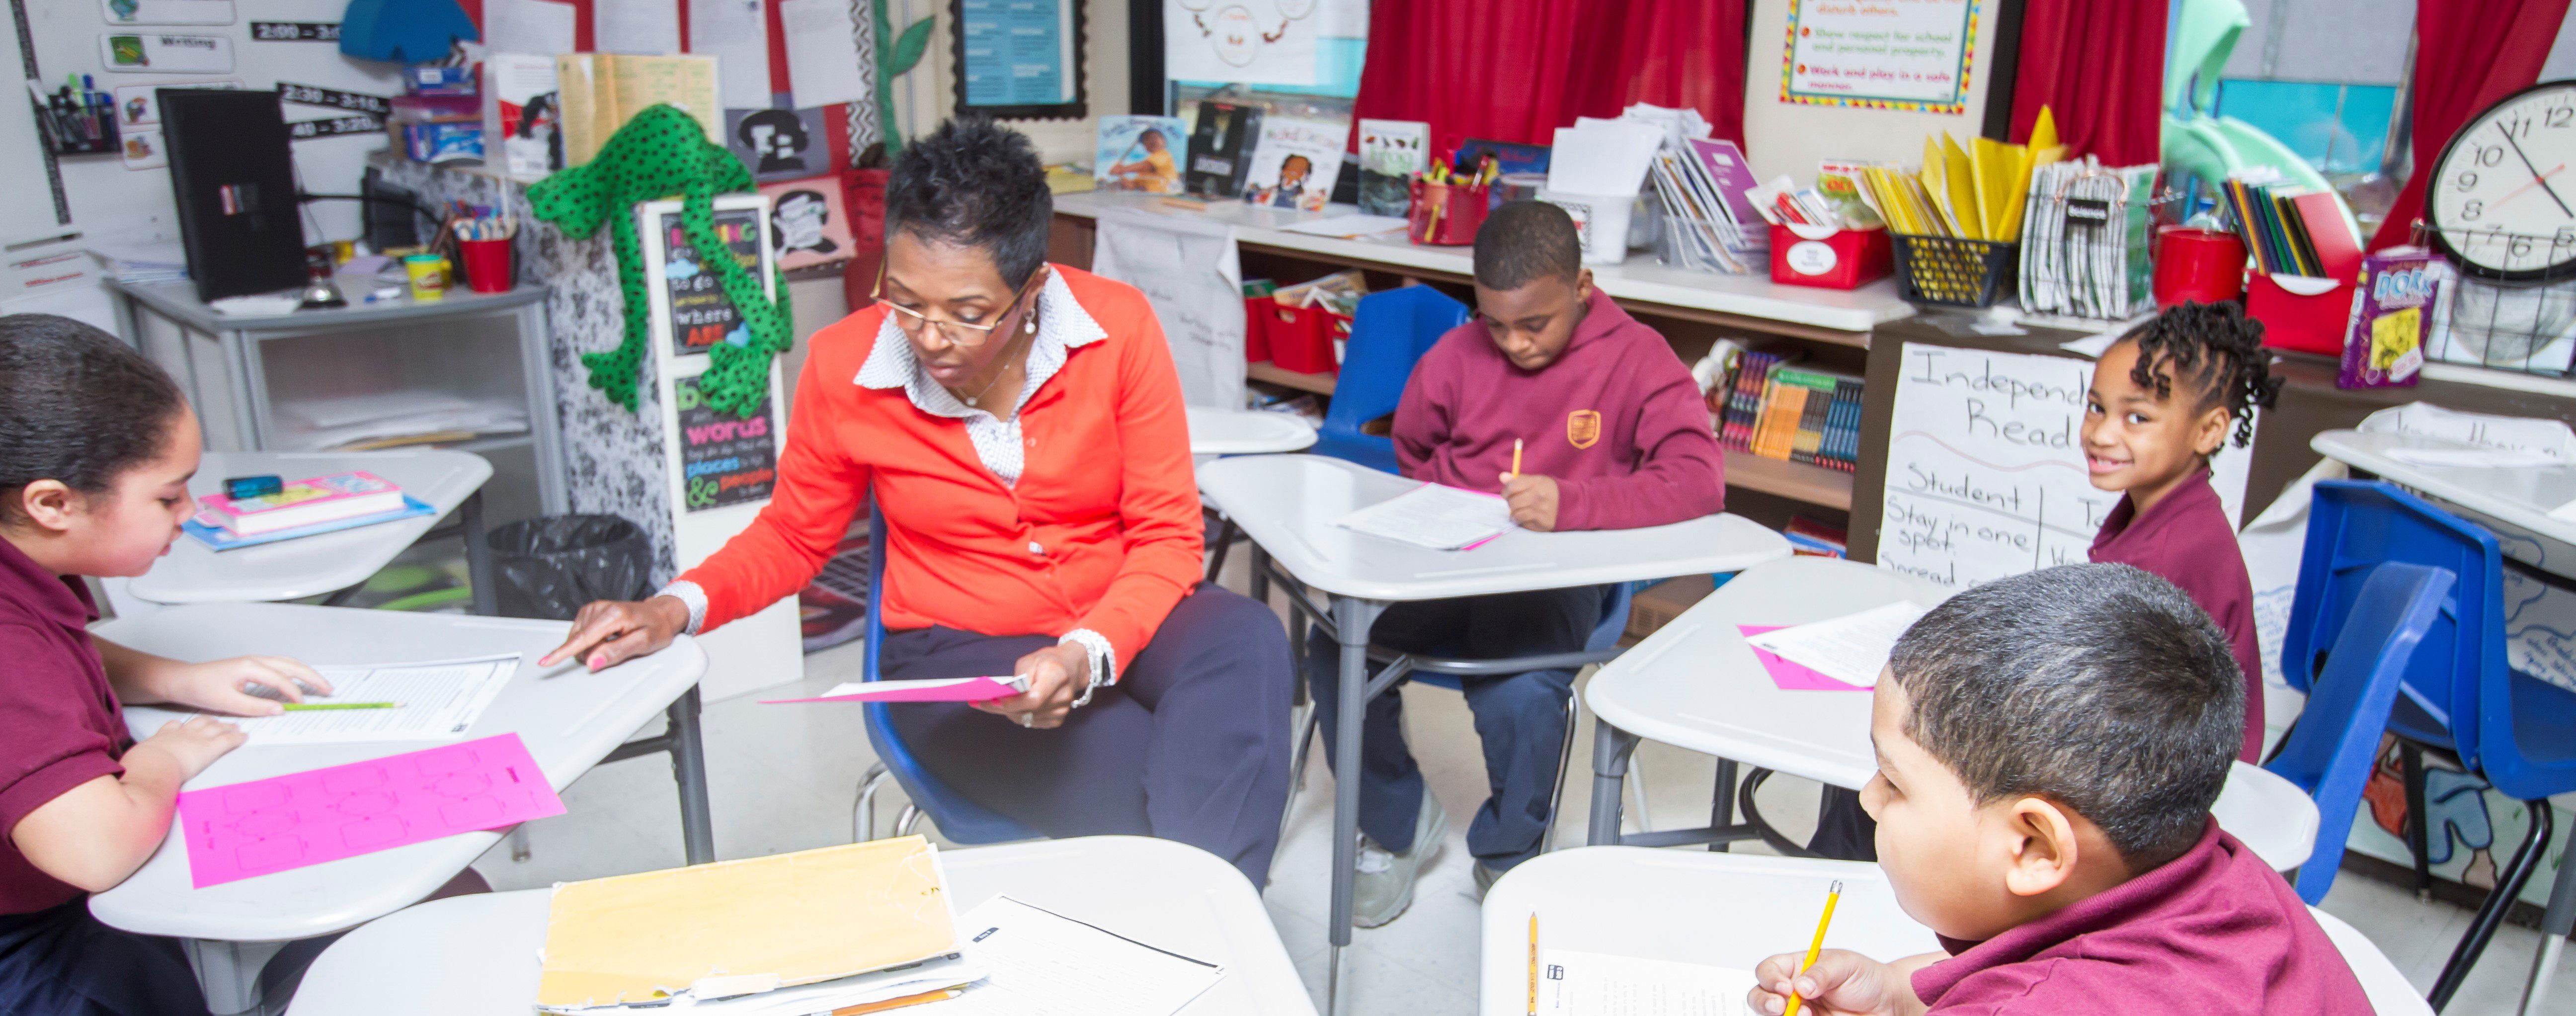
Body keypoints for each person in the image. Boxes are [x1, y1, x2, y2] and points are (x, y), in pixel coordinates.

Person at [541, 118, 1293, 884]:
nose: (929, 336)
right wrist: (670, 608)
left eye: (968, 312)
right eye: (903, 299)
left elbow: (1167, 536)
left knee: (1246, 638)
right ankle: (1218, 939)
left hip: (1122, 605)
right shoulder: (845, 366)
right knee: (1169, 801)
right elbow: (793, 538)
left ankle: (1205, 944)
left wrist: (1087, 650)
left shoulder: (1117, 327)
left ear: (1034, 287)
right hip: (958, 652)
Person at [1304, 200, 1724, 924]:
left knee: (1524, 691)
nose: (1516, 344)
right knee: (1340, 641)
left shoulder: (1638, 356)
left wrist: (1576, 502)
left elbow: (1699, 478)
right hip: (1445, 557)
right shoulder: (1460, 354)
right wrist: (1449, 502)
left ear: (1583, 286)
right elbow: (1414, 442)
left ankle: (1507, 854)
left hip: (1553, 572)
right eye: (1496, 323)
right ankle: (1398, 824)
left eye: (1536, 323)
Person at [1747, 564, 2370, 1015]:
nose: (1868, 798)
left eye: (1894, 781)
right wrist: (1895, 992)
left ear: (2036, 846)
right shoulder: (2228, 878)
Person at [0, 315, 333, 1016]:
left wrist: (178, 678)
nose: (190, 513)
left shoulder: (29, 561)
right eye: (168, 496)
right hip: (29, 947)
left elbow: (58, 657)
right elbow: (94, 851)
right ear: (54, 503)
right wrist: (165, 760)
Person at [2083, 301, 2279, 762]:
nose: (2102, 433)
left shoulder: (2167, 554)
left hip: (2183, 777)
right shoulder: (2166, 513)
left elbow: (2130, 718)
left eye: (2137, 418)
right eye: (2096, 407)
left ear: (2209, 431)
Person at [1105, 128, 1178, 194]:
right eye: (1146, 140)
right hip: (1151, 201)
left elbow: (1147, 166)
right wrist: (1120, 176)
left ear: (1164, 142)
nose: (1152, 141)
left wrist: (1122, 170)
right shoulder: (1143, 171)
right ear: (1145, 147)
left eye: (1155, 137)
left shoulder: (1164, 154)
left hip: (1166, 198)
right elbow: (1133, 186)